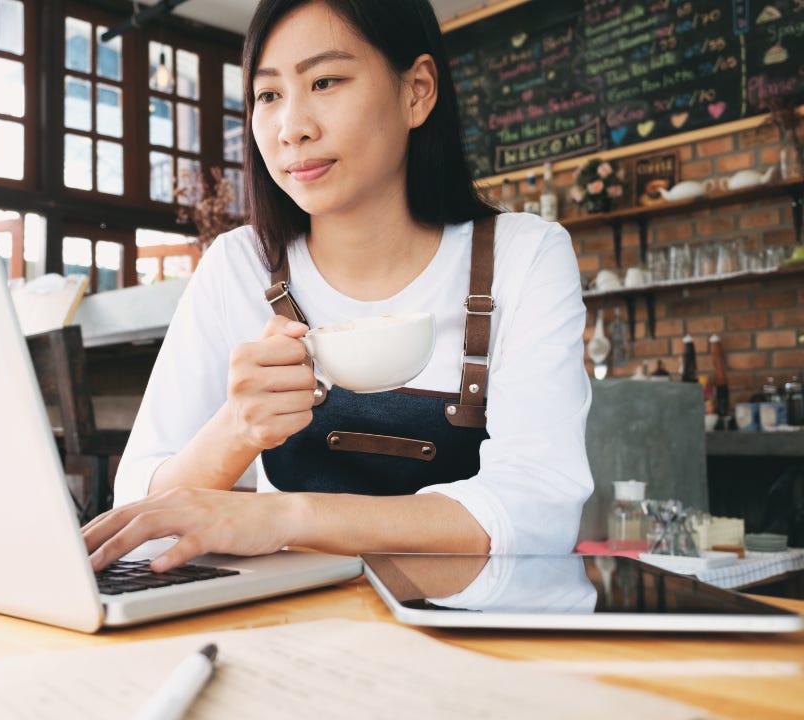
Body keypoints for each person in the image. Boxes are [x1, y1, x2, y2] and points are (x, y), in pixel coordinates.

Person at [83, 0, 592, 573]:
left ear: (418, 91)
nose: (292, 128)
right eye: (268, 95)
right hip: (291, 630)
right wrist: (236, 428)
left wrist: (286, 517)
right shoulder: (238, 265)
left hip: (474, 636)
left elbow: (538, 513)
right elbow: (139, 520)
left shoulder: (522, 256)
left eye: (324, 81)